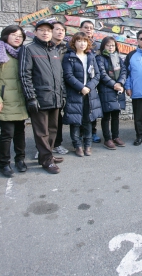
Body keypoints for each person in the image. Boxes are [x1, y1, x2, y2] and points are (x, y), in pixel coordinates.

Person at [19, 19, 66, 174]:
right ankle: (46, 160)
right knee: (42, 131)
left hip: (55, 97)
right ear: (36, 32)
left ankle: (48, 155)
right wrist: (31, 97)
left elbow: (60, 75)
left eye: (48, 30)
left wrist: (62, 94)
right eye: (42, 30)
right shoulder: (29, 49)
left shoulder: (54, 51)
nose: (46, 33)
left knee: (53, 129)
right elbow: (24, 75)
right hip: (39, 98)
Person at [0, 25, 29, 177]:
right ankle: (3, 163)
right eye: (14, 34)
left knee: (20, 132)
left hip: (20, 99)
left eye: (21, 36)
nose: (18, 38)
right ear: (5, 35)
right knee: (7, 133)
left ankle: (20, 159)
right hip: (4, 100)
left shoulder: (22, 53)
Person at [62, 32, 102, 157]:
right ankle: (77, 145)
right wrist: (81, 87)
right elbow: (68, 75)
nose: (82, 43)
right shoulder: (69, 57)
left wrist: (88, 87)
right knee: (75, 121)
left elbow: (97, 75)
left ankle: (88, 145)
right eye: (79, 41)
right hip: (75, 94)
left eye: (84, 41)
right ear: (74, 43)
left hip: (89, 94)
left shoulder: (91, 56)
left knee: (88, 120)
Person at [96, 36, 127, 150]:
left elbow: (124, 71)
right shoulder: (99, 58)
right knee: (106, 116)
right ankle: (107, 139)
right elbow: (102, 74)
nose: (110, 47)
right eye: (108, 45)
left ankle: (116, 136)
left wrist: (120, 83)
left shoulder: (118, 57)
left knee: (116, 115)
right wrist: (114, 84)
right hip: (106, 90)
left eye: (113, 45)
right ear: (103, 46)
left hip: (118, 89)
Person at [80, 20, 102, 144]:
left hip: (93, 83)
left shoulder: (97, 46)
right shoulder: (73, 44)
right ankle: (81, 133)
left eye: (91, 28)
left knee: (92, 109)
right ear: (80, 28)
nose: (88, 30)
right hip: (79, 84)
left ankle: (92, 132)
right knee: (80, 110)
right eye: (86, 27)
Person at [51, 21, 69, 155]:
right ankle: (44, 148)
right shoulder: (43, 47)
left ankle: (57, 144)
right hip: (48, 89)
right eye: (57, 29)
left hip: (63, 88)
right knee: (45, 121)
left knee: (58, 118)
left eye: (62, 30)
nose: (60, 32)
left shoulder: (66, 49)